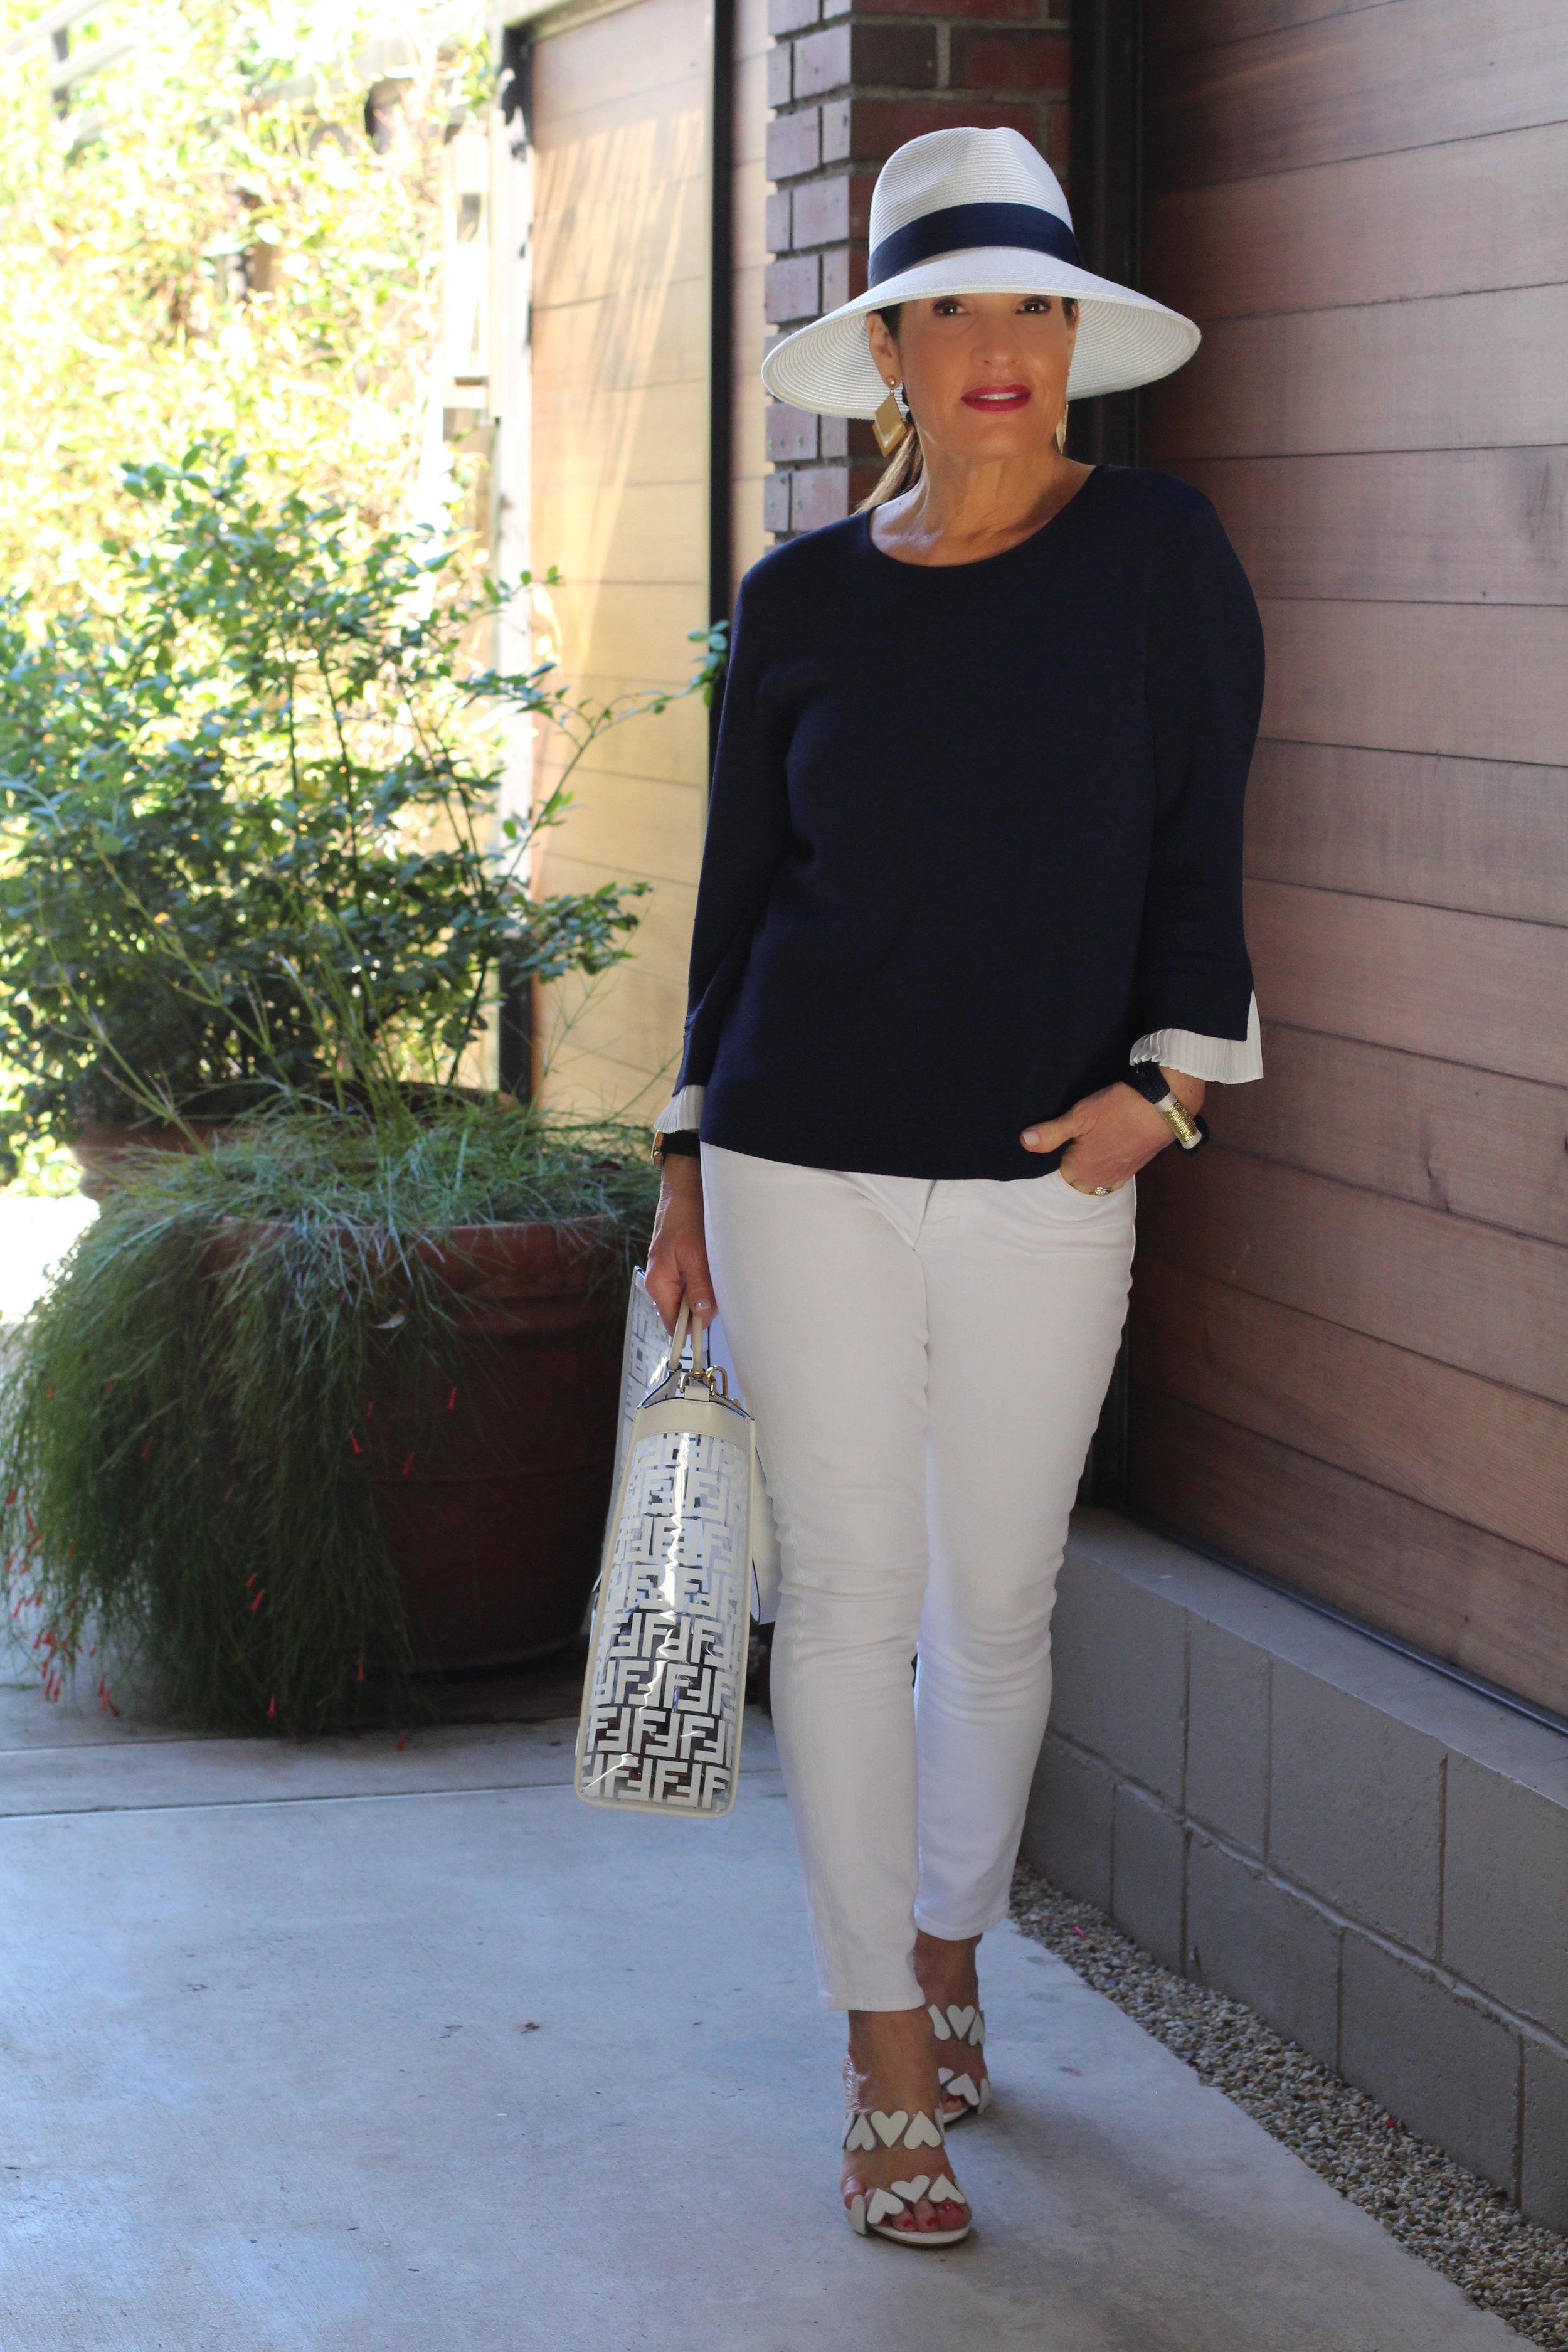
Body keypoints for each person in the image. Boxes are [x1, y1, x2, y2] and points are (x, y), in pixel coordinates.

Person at [644, 124, 1264, 2249]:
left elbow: (1205, 860)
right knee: (843, 1605)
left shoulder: (1160, 554)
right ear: (884, 345)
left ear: (1070, 336)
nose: (996, 346)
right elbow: (735, 911)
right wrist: (680, 1157)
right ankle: (881, 2063)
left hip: (1040, 1166)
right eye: (949, 309)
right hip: (795, 1144)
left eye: (1031, 306)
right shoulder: (799, 597)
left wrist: (1164, 1101)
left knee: (991, 1609)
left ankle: (949, 1942)